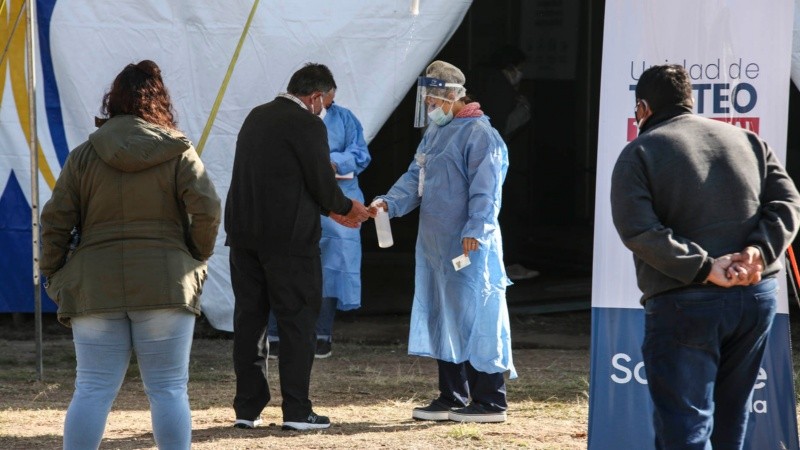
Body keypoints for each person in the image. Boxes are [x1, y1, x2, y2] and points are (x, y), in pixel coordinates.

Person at [610, 64, 800, 449]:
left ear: (642, 108)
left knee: (685, 422)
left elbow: (639, 231)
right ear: (689, 100)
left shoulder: (639, 152)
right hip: (754, 295)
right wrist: (757, 252)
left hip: (685, 300)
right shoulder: (748, 140)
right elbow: (787, 202)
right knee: (733, 413)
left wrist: (705, 268)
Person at [40, 60, 221, 450]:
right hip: (166, 280)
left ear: (113, 100)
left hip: (94, 283)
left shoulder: (83, 156)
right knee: (168, 389)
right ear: (160, 101)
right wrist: (195, 255)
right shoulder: (178, 151)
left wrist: (53, 273)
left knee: (92, 388)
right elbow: (207, 208)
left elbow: (54, 221)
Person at [225, 63, 370, 431]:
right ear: (316, 97)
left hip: (243, 235)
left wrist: (330, 208)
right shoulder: (307, 124)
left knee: (250, 321)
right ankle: (297, 410)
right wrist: (344, 207)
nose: (324, 111)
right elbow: (320, 180)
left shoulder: (256, 116)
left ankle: (247, 408)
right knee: (298, 321)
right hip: (288, 240)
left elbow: (278, 178)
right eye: (326, 104)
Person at [371, 60, 516, 424]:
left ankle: (490, 400)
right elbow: (415, 177)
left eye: (434, 99)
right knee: (443, 314)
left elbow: (486, 192)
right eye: (427, 100)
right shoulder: (436, 132)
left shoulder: (480, 134)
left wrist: (475, 230)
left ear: (453, 95)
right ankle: (452, 393)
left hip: (468, 243)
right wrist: (389, 202)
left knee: (477, 315)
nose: (430, 106)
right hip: (436, 245)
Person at [266, 83, 372, 359]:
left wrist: (334, 162)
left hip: (340, 195)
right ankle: (275, 333)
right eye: (325, 101)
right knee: (284, 266)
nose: (328, 106)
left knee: (332, 266)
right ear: (314, 96)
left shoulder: (344, 118)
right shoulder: (288, 118)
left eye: (331, 102)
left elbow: (360, 153)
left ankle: (321, 334)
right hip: (297, 199)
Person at [470, 44, 538, 281]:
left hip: (476, 161)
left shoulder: (477, 82)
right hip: (497, 161)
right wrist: (524, 109)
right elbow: (502, 126)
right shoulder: (499, 87)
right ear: (510, 67)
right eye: (520, 68)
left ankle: (483, 264)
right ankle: (506, 264)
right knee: (504, 213)